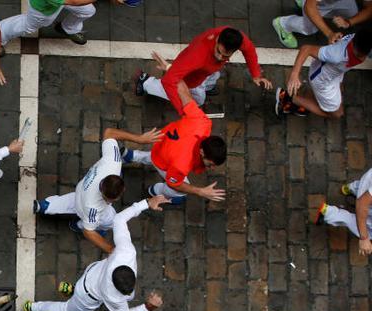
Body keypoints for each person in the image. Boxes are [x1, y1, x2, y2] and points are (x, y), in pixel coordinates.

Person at [23, 195, 168, 311]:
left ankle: (74, 290)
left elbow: (119, 219)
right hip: (87, 296)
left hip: (92, 273)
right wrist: (148, 307)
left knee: (83, 284)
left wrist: (147, 203)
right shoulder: (114, 297)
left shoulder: (125, 252)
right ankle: (34, 309)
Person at [34, 126, 162, 253]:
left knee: (69, 202)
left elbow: (109, 133)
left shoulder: (113, 161)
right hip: (84, 206)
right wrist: (111, 250)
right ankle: (76, 225)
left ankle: (44, 206)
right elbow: (88, 231)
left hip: (81, 189)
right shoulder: (94, 208)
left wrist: (139, 139)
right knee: (110, 221)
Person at [122, 82, 227, 205]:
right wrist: (200, 191)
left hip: (162, 141)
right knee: (179, 192)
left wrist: (172, 70)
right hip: (163, 158)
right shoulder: (181, 165)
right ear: (202, 151)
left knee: (161, 156)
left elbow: (183, 92)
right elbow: (174, 183)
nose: (212, 168)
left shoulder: (202, 122)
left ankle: (131, 155)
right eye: (211, 163)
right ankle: (155, 191)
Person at [135, 26, 272, 114]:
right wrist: (184, 111)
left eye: (226, 56)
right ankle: (146, 83)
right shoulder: (197, 55)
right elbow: (169, 80)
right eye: (219, 51)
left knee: (214, 75)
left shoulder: (235, 37)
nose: (220, 57)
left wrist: (256, 75)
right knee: (197, 100)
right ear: (217, 39)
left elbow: (249, 50)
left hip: (207, 71)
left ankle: (208, 85)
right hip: (192, 77)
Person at [276, 29, 372, 119]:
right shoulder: (336, 55)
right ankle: (287, 98)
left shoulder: (358, 40)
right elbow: (306, 49)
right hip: (322, 80)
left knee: (337, 93)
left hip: (334, 72)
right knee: (337, 114)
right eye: (360, 55)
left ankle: (313, 99)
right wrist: (294, 74)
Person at [0, 0, 127, 47]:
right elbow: (74, 1)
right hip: (44, 8)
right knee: (28, 26)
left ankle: (68, 29)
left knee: (88, 10)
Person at [316, 168, 372, 256]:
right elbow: (362, 204)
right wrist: (364, 238)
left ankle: (348, 188)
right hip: (367, 200)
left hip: (368, 181)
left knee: (363, 185)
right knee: (367, 228)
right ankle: (328, 213)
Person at [272, 0, 372, 48]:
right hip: (313, 3)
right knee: (309, 29)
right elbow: (310, 6)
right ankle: (282, 24)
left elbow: (370, 7)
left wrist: (349, 22)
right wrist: (329, 34)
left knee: (352, 12)